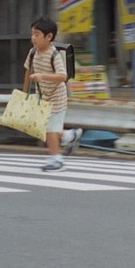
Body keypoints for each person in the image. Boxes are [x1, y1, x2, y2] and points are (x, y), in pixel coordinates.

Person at [22, 17, 83, 172]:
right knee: (48, 128)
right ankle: (70, 136)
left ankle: (57, 160)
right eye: (32, 34)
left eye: (37, 34)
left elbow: (62, 76)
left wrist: (42, 76)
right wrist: (24, 93)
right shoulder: (32, 52)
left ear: (49, 37)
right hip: (43, 97)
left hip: (57, 97)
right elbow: (28, 71)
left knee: (50, 129)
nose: (33, 38)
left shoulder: (54, 54)